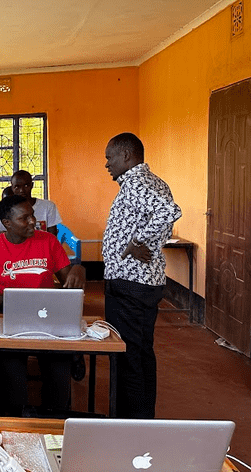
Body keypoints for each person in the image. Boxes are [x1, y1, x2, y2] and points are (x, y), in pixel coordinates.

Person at [0, 195, 85, 416]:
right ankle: (19, 422)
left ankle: (54, 422)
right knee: (13, 384)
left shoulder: (48, 241)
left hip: (49, 321)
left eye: (32, 216)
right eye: (24, 218)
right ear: (7, 223)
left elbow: (68, 284)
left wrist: (78, 270)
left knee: (58, 378)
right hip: (12, 323)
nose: (33, 221)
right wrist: (23, 301)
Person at [103, 132, 181, 419]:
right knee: (141, 352)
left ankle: (132, 422)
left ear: (126, 155)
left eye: (110, 157)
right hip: (142, 281)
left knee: (129, 356)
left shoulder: (137, 182)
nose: (107, 164)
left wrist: (138, 241)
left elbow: (169, 211)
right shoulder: (152, 181)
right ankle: (143, 416)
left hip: (131, 283)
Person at [9, 170, 61, 236]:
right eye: (17, 187)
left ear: (32, 185)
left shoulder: (48, 206)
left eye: (26, 186)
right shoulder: (8, 210)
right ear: (12, 188)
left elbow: (52, 235)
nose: (22, 190)